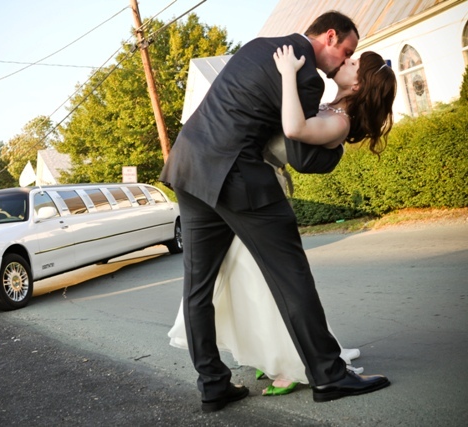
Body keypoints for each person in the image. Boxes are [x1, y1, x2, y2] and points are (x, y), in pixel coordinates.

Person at [160, 11, 390, 412]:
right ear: (330, 37)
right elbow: (301, 155)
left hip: (188, 166)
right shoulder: (305, 75)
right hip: (237, 178)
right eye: (347, 51)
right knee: (292, 279)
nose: (346, 59)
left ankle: (213, 385)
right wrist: (331, 148)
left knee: (198, 287)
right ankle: (329, 375)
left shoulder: (258, 47)